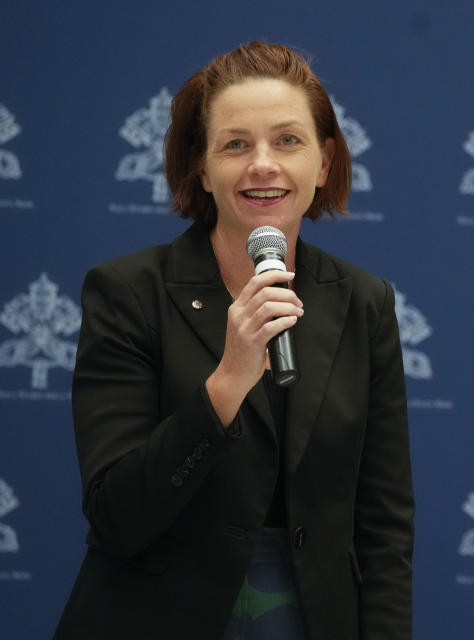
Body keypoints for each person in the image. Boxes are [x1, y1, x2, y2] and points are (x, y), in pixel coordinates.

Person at [54, 42, 413, 640]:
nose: (263, 165)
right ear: (202, 166)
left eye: (288, 141)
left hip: (309, 614)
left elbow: (385, 524)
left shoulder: (362, 301)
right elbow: (116, 515)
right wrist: (226, 383)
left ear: (324, 164)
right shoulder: (129, 293)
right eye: (236, 144)